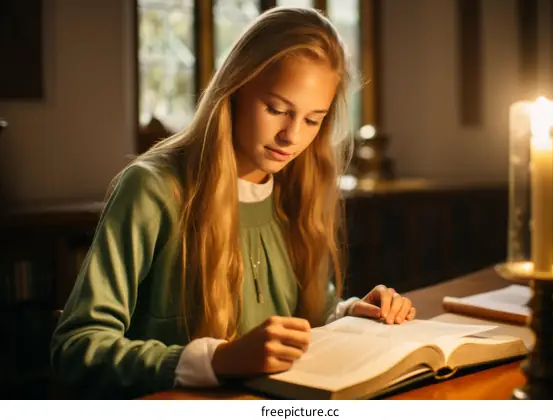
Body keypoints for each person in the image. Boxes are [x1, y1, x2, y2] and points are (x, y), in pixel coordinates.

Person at [50, 6, 416, 399]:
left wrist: (349, 313)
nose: (291, 136)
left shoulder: (296, 192)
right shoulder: (154, 189)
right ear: (235, 90)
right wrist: (217, 359)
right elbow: (77, 348)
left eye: (312, 120)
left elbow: (308, 315)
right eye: (276, 109)